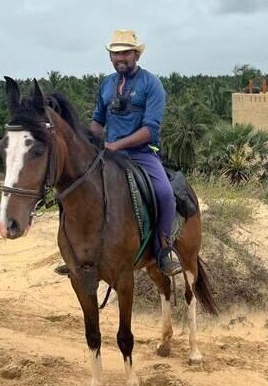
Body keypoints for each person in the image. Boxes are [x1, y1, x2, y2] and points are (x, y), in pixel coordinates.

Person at [56, 29, 181, 277]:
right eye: (115, 54)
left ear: (136, 54)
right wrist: (90, 143)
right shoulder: (107, 84)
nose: (119, 58)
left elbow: (150, 129)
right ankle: (76, 254)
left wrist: (116, 145)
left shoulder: (151, 84)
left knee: (165, 194)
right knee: (71, 191)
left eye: (125, 52)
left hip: (141, 154)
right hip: (107, 155)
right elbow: (97, 121)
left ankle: (164, 250)